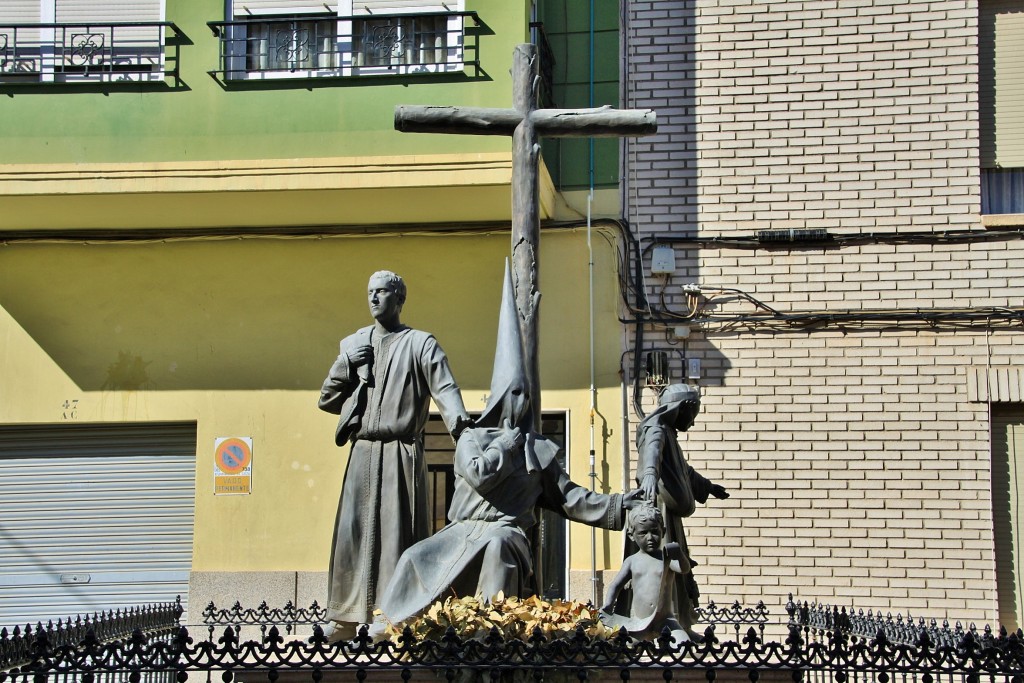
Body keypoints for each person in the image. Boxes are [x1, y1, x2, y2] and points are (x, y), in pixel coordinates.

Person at [372, 262, 642, 631]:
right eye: (512, 394)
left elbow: (570, 498)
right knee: (415, 557)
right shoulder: (470, 437)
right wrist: (509, 445)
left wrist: (620, 505)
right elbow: (482, 476)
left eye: (523, 395)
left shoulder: (538, 450)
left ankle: (488, 633)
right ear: (498, 400)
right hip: (461, 531)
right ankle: (389, 629)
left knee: (499, 546)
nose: (519, 402)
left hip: (506, 532)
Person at [318, 270, 472, 641]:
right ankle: (343, 617)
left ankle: (390, 617)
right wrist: (346, 365)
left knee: (395, 535)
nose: (373, 298)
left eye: (382, 292)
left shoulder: (420, 344)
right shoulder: (355, 343)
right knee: (352, 535)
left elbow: (445, 389)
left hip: (401, 453)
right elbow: (327, 400)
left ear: (399, 299)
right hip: (362, 452)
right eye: (369, 292)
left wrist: (464, 434)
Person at [629, 383, 729, 638]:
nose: (693, 423)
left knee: (677, 565)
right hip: (657, 512)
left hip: (670, 515)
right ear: (682, 408)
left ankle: (678, 621)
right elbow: (651, 453)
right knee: (663, 565)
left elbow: (685, 471)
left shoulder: (670, 433)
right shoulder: (656, 429)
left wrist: (708, 487)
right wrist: (649, 476)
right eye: (693, 414)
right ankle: (659, 625)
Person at [600, 504, 688, 642]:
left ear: (663, 532)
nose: (650, 538)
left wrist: (679, 554)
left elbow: (684, 569)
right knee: (624, 648)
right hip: (639, 623)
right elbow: (615, 585)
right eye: (643, 533)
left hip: (666, 621)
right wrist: (608, 605)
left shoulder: (666, 558)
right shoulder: (632, 561)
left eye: (654, 532)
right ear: (631, 535)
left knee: (684, 648)